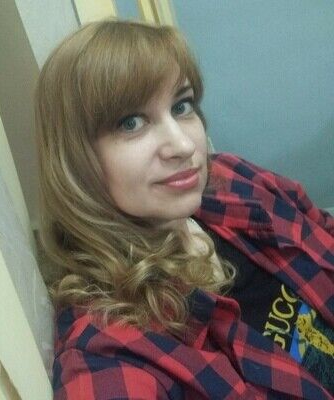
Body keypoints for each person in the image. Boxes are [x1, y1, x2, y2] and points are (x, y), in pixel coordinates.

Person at [34, 18, 334, 399]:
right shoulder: (109, 350)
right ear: (77, 161)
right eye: (131, 123)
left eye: (181, 106)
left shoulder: (232, 180)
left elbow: (322, 231)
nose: (183, 146)